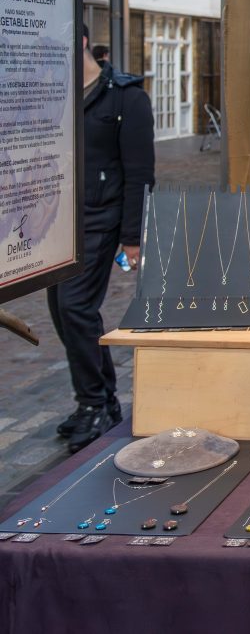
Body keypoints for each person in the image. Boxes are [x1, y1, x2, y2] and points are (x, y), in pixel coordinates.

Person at [49, 28, 155, 453]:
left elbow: (140, 173)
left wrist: (133, 237)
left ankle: (97, 402)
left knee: (76, 306)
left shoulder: (126, 97)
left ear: (82, 43)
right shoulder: (53, 93)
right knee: (61, 309)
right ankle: (96, 399)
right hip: (60, 217)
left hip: (101, 216)